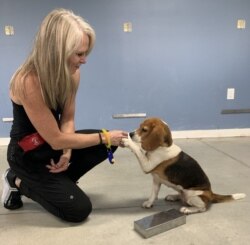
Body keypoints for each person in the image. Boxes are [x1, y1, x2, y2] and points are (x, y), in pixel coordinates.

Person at [1, 8, 127, 223]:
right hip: (27, 156)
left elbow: (67, 120)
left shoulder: (72, 73)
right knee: (78, 210)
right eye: (79, 54)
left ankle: (57, 184)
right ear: (57, 51)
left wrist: (66, 154)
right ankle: (16, 180)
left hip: (52, 145)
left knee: (107, 143)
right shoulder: (27, 81)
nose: (84, 60)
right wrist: (103, 137)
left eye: (85, 53)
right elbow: (56, 138)